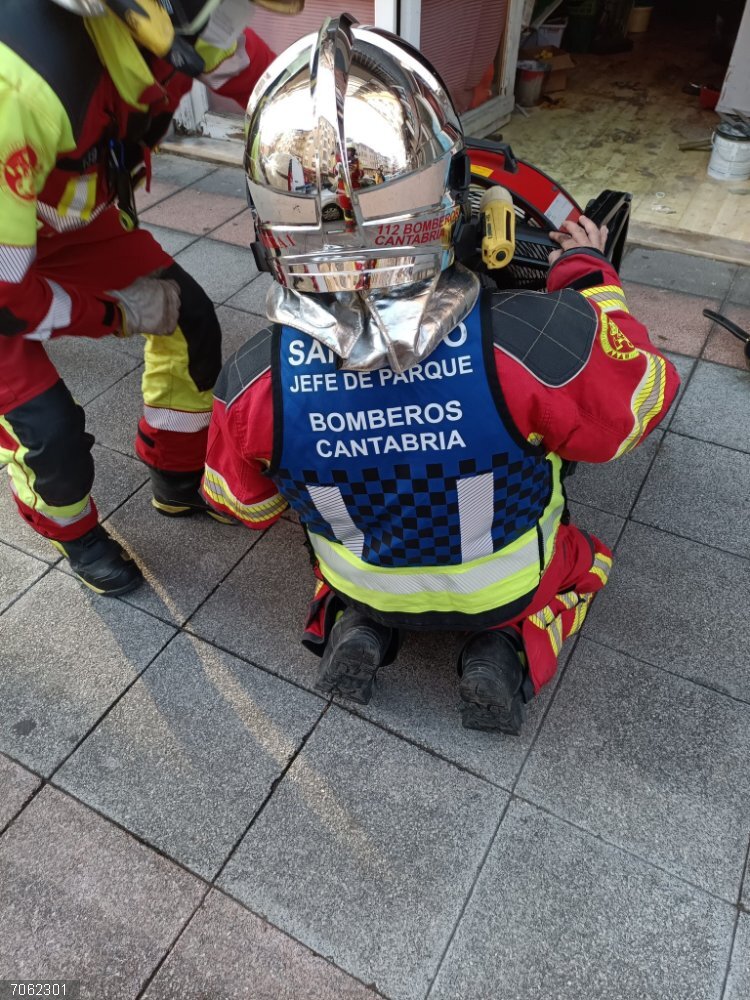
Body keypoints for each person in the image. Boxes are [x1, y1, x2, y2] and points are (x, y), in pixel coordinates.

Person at [201, 15, 680, 734]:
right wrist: (592, 284)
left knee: (341, 551)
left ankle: (358, 624)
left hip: (362, 573)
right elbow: (640, 405)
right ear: (449, 187)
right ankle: (507, 646)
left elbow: (244, 507)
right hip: (507, 581)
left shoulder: (251, 379)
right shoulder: (531, 341)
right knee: (579, 563)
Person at [0, 0, 303, 596]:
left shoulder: (165, 31)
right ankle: (75, 532)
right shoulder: (21, 94)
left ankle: (177, 473)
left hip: (55, 222)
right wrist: (115, 315)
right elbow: (9, 300)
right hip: (5, 266)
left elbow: (265, 81)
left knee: (190, 318)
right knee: (48, 429)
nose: (228, 29)